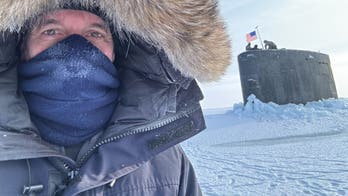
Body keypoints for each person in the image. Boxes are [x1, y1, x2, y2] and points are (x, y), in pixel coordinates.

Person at [0, 1, 231, 196]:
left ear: (114, 53)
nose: (76, 47)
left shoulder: (165, 161)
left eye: (94, 33)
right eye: (51, 31)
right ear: (22, 49)